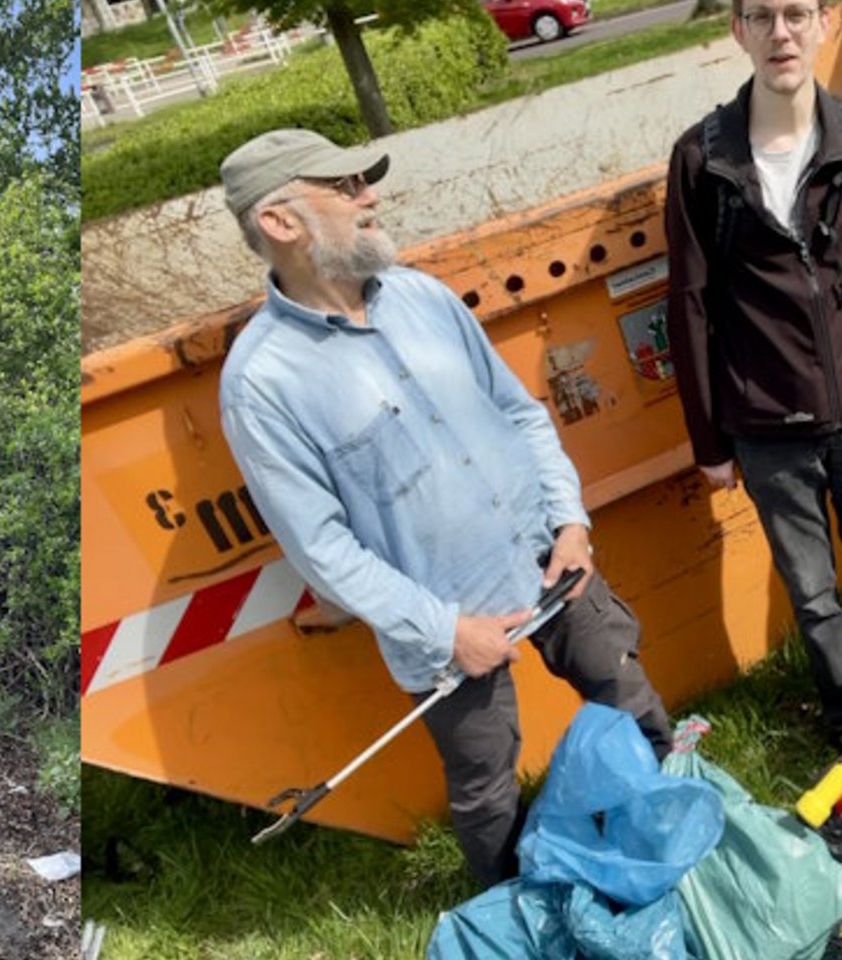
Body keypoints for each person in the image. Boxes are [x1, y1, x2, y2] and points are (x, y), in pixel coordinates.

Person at [214, 129, 673, 887]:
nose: (371, 197)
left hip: (551, 565)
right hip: (448, 630)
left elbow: (520, 413)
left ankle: (676, 832)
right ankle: (517, 915)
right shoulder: (263, 383)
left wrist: (572, 524)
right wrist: (447, 631)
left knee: (631, 701)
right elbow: (321, 549)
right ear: (281, 223)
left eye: (365, 180)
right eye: (347, 187)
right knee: (489, 789)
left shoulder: (422, 297)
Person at [663, 0, 842, 748]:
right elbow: (690, 308)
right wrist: (710, 442)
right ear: (737, 32)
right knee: (812, 591)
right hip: (766, 427)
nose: (780, 32)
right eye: (761, 16)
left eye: (796, 13)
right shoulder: (700, 161)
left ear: (825, 23)